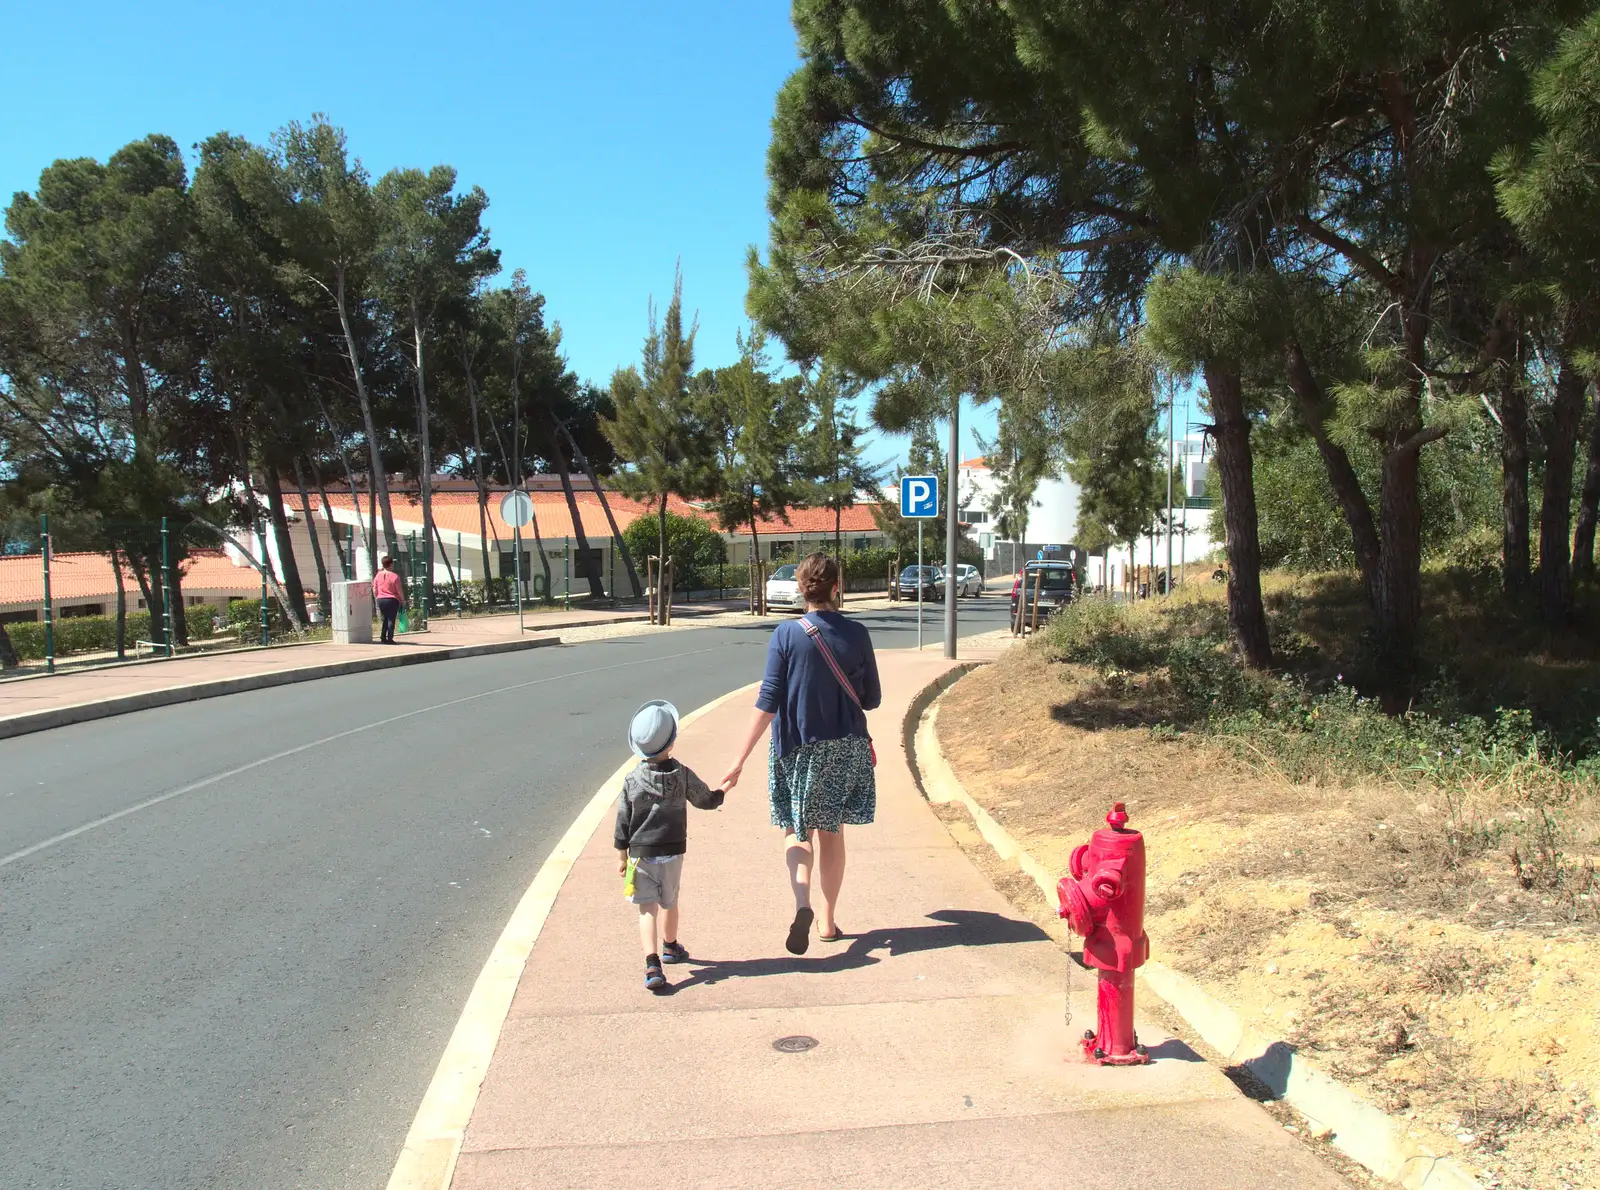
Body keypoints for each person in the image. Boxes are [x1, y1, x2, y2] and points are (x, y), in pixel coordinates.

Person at [721, 553, 880, 956]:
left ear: (800, 589)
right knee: (832, 831)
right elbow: (871, 699)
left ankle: (802, 903)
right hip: (845, 746)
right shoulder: (858, 633)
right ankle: (828, 922)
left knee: (795, 829)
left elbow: (768, 700)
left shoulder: (786, 635)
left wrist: (738, 761)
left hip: (795, 749)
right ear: (836, 587)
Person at [616, 699, 726, 992]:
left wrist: (621, 854)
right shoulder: (682, 774)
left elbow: (623, 820)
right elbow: (705, 799)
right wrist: (722, 792)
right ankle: (671, 946)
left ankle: (652, 964)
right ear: (672, 741)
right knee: (670, 901)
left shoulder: (632, 779)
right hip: (673, 851)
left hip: (640, 854)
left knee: (646, 908)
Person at [372, 556, 404, 644]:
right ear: (391, 564)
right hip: (392, 600)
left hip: (380, 599)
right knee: (391, 619)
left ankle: (383, 637)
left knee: (385, 618)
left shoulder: (378, 575)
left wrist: (377, 597)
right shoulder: (395, 576)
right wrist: (402, 600)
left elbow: (374, 588)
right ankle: (389, 638)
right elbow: (399, 590)